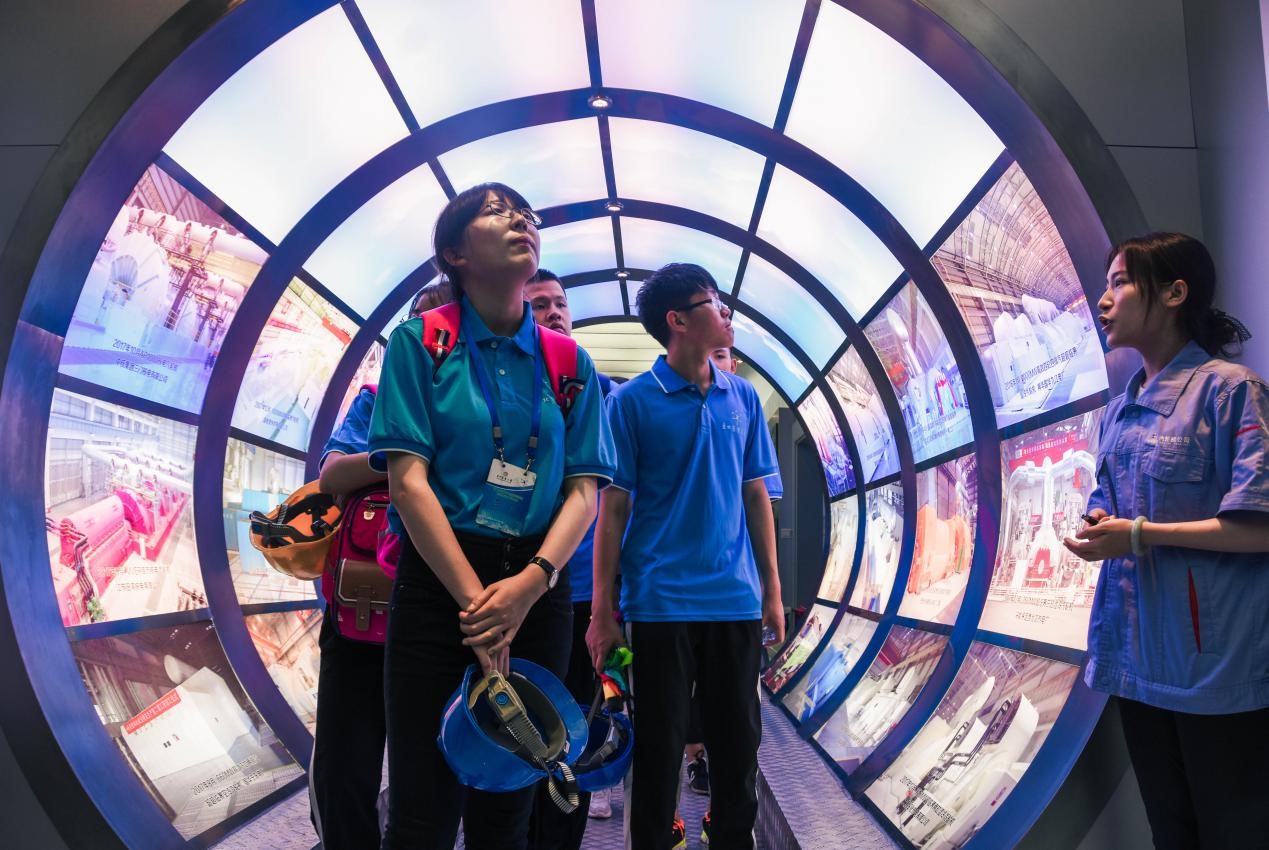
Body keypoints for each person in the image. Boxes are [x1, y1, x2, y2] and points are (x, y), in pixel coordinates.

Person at [368, 183, 615, 850]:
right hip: (440, 584)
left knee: (509, 803)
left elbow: (584, 492)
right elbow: (407, 482)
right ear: (455, 252)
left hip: (538, 586)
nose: (520, 221)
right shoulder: (421, 343)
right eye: (496, 211)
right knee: (421, 807)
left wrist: (530, 585)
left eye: (525, 214)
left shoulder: (570, 362)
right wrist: (479, 607)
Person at [1062, 232, 1269, 850]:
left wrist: (1137, 534)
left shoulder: (1231, 392)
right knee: (1172, 835)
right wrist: (1102, 521)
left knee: (1234, 835)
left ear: (1175, 293)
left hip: (1215, 674)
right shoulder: (1118, 411)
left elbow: (1260, 528)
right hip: (1136, 666)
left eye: (1120, 282)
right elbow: (1111, 499)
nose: (1104, 299)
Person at [587, 263, 784, 850]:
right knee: (659, 746)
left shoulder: (742, 395)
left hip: (734, 599)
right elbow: (612, 510)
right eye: (712, 302)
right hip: (659, 601)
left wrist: (772, 592)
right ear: (676, 320)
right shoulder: (630, 403)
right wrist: (602, 611)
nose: (725, 313)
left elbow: (756, 495)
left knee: (739, 745)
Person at [310, 279, 453, 850]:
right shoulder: (374, 400)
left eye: (443, 327)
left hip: (441, 607)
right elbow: (331, 474)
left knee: (434, 770)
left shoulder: (479, 407)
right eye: (418, 326)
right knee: (346, 762)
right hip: (362, 608)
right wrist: (401, 455)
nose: (428, 340)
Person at [521, 268, 615, 843]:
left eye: (559, 303)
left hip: (580, 591)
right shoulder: (506, 386)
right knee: (518, 727)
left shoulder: (600, 392)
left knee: (573, 731)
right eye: (538, 305)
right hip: (513, 588)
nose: (554, 312)